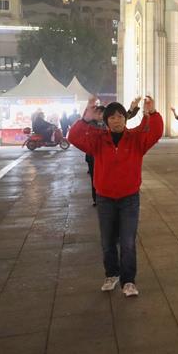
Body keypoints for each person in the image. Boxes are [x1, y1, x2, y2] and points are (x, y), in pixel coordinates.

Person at [68, 95, 163, 297]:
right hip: (105, 199)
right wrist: (85, 118)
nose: (116, 120)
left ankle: (128, 280)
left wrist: (152, 113)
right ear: (106, 120)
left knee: (128, 242)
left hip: (129, 198)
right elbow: (74, 138)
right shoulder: (98, 139)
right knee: (107, 240)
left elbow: (155, 132)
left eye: (120, 116)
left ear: (125, 119)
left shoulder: (136, 139)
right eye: (112, 117)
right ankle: (111, 274)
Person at [84, 103, 106, 207]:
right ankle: (96, 199)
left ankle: (105, 197)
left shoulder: (108, 123)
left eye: (102, 113)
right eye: (98, 113)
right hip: (92, 157)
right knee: (94, 178)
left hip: (105, 156)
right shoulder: (90, 124)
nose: (100, 115)